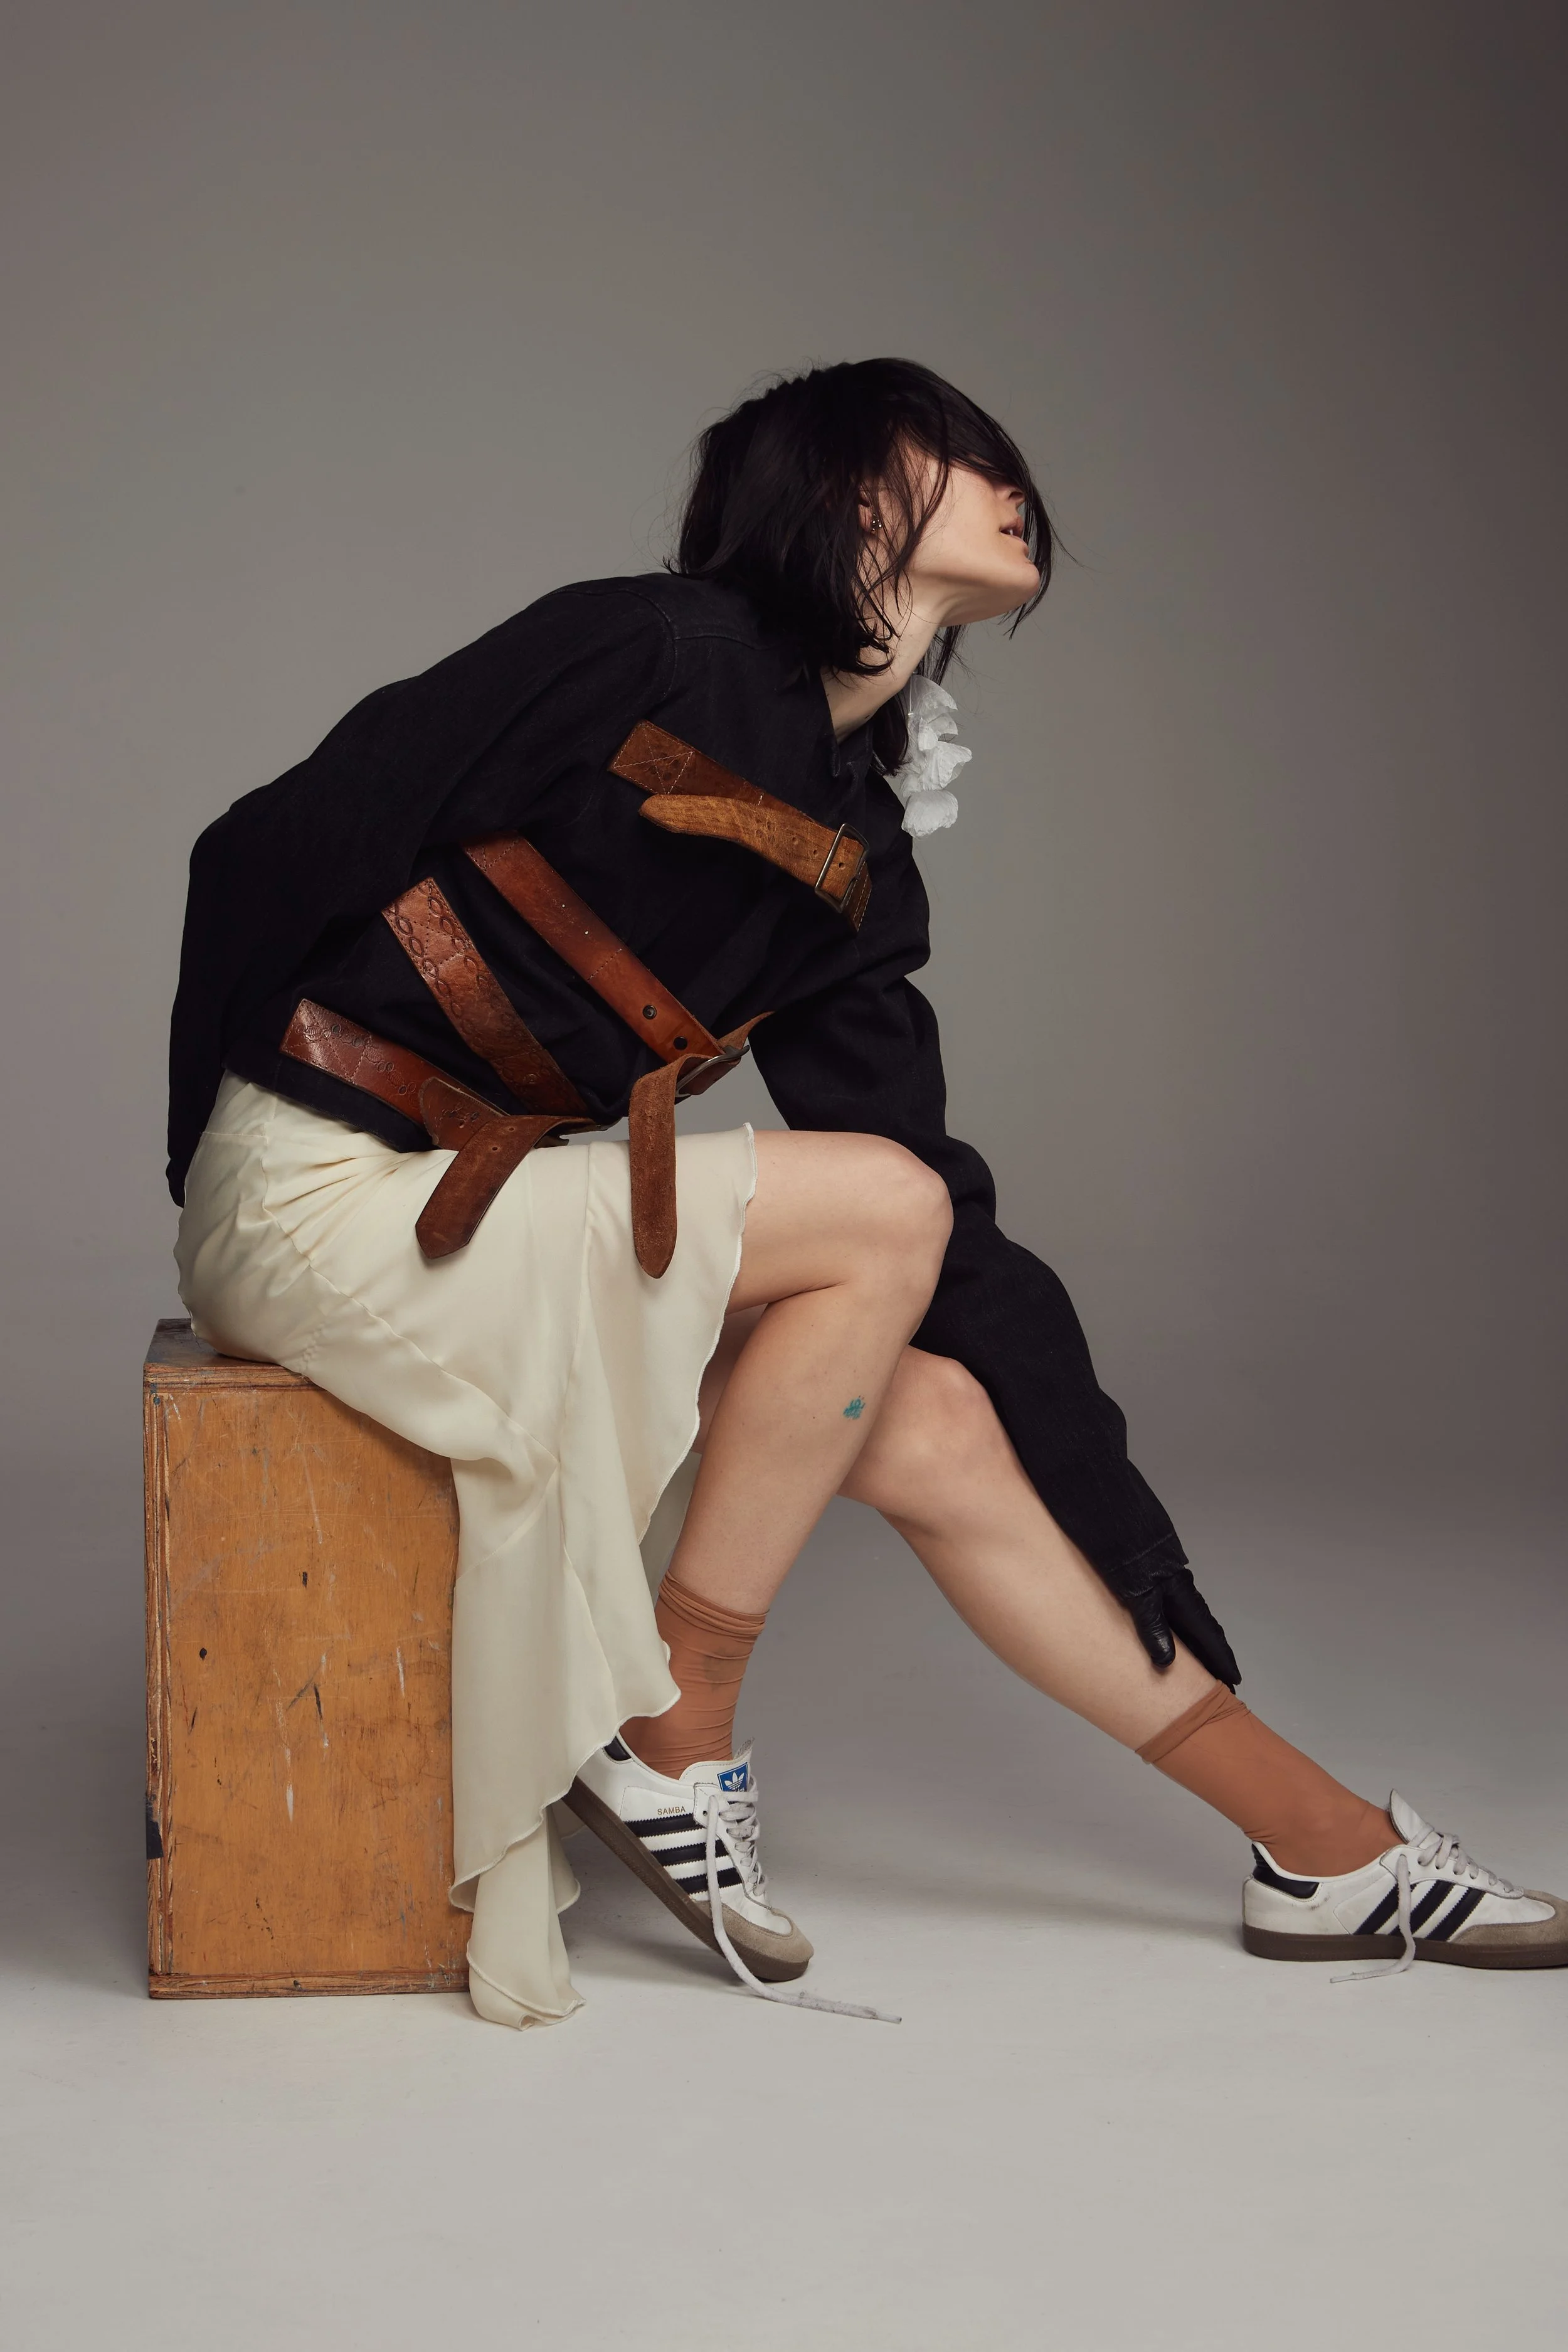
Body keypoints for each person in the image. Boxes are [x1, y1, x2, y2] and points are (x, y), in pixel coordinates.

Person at [169, 359, 1566, 2027]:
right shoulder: (643, 642)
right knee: (878, 1213)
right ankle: (681, 1728)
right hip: (322, 1195)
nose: (1006, 479)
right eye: (953, 450)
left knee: (933, 1417)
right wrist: (215, 1164)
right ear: (837, 493)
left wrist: (1121, 1519)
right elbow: (263, 844)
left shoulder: (856, 849)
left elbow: (943, 1216)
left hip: (487, 1228)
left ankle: (1320, 1852)